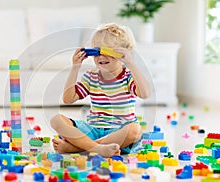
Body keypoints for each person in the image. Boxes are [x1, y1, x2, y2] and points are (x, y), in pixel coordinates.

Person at [50, 23, 151, 157]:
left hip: (118, 135)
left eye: (108, 52)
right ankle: (97, 148)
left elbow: (145, 94)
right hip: (93, 130)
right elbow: (68, 99)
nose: (101, 57)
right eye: (97, 52)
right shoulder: (91, 77)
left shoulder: (128, 77)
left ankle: (79, 148)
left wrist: (131, 64)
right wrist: (75, 67)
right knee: (57, 120)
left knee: (135, 130)